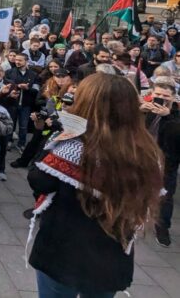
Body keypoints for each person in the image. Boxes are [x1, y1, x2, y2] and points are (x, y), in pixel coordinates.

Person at [27, 73, 164, 297]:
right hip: (110, 257)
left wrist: (56, 139)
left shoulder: (73, 146)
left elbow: (39, 180)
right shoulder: (147, 153)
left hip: (62, 252)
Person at [140, 82, 180, 247]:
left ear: (173, 98)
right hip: (142, 157)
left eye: (165, 96)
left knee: (165, 195)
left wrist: (168, 116)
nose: (161, 98)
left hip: (167, 160)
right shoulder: (146, 109)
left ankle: (162, 228)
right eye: (158, 94)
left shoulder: (176, 114)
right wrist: (139, 112)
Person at [5, 53, 40, 152]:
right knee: (10, 124)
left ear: (26, 61)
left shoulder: (33, 75)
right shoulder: (9, 72)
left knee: (23, 126)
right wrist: (17, 86)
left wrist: (28, 88)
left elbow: (36, 89)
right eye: (16, 60)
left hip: (26, 105)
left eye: (20, 60)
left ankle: (21, 144)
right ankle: (9, 141)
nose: (17, 62)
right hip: (12, 103)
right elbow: (6, 85)